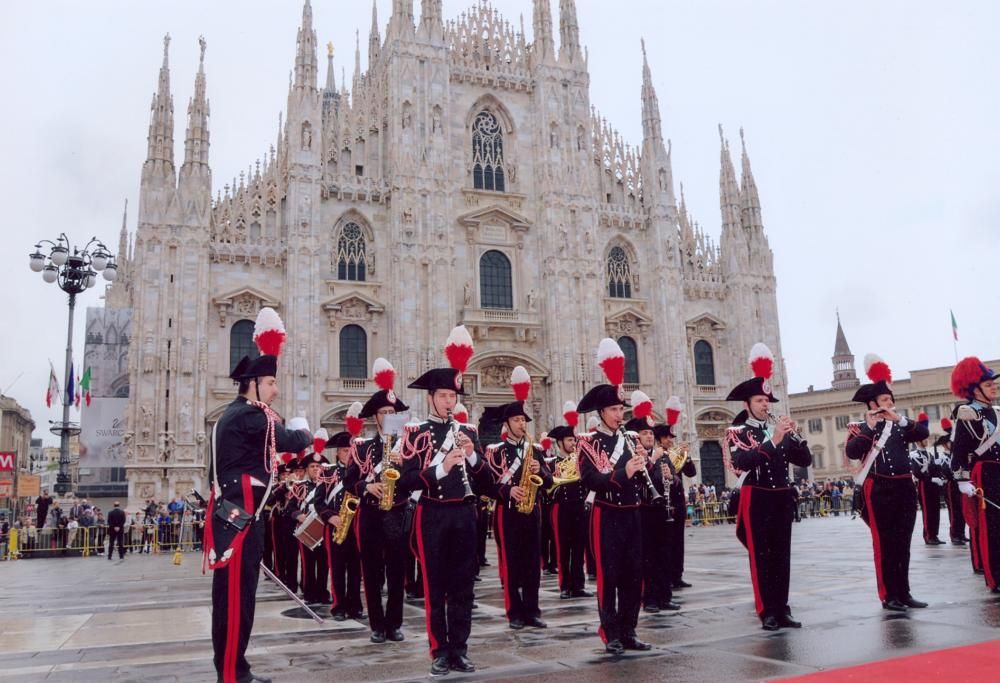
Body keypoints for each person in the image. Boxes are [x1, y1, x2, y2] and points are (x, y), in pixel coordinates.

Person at [205, 307, 312, 683]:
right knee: (236, 599)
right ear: (252, 384)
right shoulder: (250, 416)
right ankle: (232, 674)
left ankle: (234, 667)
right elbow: (293, 440)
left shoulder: (232, 416)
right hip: (242, 519)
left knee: (234, 597)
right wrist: (303, 428)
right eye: (270, 383)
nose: (275, 390)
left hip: (234, 518)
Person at [398, 325, 487, 677]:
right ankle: (439, 650)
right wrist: (442, 467)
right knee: (435, 587)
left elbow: (486, 481)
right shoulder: (415, 432)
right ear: (432, 397)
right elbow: (405, 481)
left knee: (463, 587)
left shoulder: (468, 432)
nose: (450, 402)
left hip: (464, 514)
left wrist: (473, 456)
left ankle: (460, 649)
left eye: (453, 395)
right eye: (444, 395)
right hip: (432, 513)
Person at [727, 343, 812, 630]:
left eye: (767, 400)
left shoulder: (779, 429)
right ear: (747, 404)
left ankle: (782, 608)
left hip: (782, 497)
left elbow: (804, 459)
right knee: (761, 556)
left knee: (781, 556)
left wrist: (796, 435)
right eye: (760, 400)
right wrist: (774, 440)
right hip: (758, 497)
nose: (766, 405)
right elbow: (742, 462)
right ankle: (767, 611)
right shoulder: (739, 432)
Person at [576, 338, 651, 656]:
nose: (620, 415)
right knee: (610, 577)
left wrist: (646, 468)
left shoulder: (630, 439)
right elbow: (591, 479)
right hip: (606, 514)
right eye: (615, 410)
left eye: (622, 409)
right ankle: (611, 632)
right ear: (602, 412)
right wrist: (625, 472)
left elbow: (641, 480)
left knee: (633, 576)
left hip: (632, 513)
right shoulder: (587, 443)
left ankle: (629, 630)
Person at [845, 353, 929, 611]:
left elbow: (923, 432)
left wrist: (899, 419)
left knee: (904, 542)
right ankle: (889, 595)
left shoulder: (901, 425)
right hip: (880, 488)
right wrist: (870, 428)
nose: (890, 404)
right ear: (872, 404)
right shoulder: (860, 427)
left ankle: (904, 592)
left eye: (892, 400)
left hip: (905, 487)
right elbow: (852, 452)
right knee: (885, 544)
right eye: (885, 400)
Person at [481, 367, 553, 630]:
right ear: (507, 423)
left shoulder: (535, 449)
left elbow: (549, 482)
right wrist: (507, 491)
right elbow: (486, 485)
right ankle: (514, 613)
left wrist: (540, 471)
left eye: (523, 420)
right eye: (517, 420)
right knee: (511, 563)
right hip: (507, 512)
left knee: (533, 562)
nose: (522, 424)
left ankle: (532, 611)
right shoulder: (494, 451)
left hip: (532, 510)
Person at [344, 358, 410, 643]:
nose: (389, 415)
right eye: (384, 412)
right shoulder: (362, 447)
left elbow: (417, 479)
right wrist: (367, 486)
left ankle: (394, 624)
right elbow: (348, 481)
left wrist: (405, 465)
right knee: (371, 572)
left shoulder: (406, 446)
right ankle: (376, 625)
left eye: (393, 411)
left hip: (398, 513)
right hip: (371, 514)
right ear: (375, 417)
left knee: (397, 572)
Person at [949, 357, 1000, 591]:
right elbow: (959, 450)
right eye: (989, 384)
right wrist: (962, 479)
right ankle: (995, 578)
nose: (994, 387)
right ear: (975, 389)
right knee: (991, 527)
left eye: (994, 384)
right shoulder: (968, 413)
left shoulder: (996, 412)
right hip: (985, 472)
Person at [624, 391, 677, 614]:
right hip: (643, 511)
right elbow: (637, 482)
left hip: (662, 512)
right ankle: (650, 599)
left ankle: (665, 596)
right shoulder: (633, 456)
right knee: (647, 558)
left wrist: (670, 477)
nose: (649, 436)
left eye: (650, 433)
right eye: (645, 433)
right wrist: (652, 462)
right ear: (637, 436)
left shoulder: (662, 455)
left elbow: (674, 480)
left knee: (664, 555)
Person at [317, 431, 364, 621]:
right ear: (337, 453)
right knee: (337, 569)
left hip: (357, 525)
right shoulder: (327, 473)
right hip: (336, 525)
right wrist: (330, 517)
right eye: (345, 450)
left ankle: (355, 606)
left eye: (352, 450)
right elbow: (318, 502)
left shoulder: (362, 471)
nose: (349, 453)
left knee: (356, 569)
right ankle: (338, 607)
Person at [549, 402, 591, 600]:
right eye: (568, 440)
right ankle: (565, 585)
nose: (573, 443)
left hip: (579, 507)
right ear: (560, 443)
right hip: (562, 508)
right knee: (563, 548)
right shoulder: (553, 463)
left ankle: (578, 585)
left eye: (574, 440)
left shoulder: (581, 462)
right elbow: (548, 487)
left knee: (579, 547)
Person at [656, 396, 697, 591]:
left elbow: (691, 473)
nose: (670, 441)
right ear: (659, 440)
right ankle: (667, 577)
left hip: (678, 502)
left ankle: (677, 575)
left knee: (678, 542)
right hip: (665, 503)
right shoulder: (657, 456)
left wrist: (686, 457)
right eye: (667, 438)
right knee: (666, 542)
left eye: (671, 438)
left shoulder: (676, 455)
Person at [909, 413, 945, 545]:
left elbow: (934, 470)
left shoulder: (929, 454)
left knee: (935, 511)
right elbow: (917, 472)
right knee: (928, 511)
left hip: (933, 486)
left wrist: (938, 470)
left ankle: (934, 535)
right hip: (924, 485)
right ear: (918, 441)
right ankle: (928, 536)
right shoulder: (914, 455)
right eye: (924, 439)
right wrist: (931, 479)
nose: (927, 441)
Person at [936, 419, 968, 546]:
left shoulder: (955, 455)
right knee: (954, 510)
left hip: (958, 483)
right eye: (950, 443)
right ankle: (955, 534)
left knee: (961, 509)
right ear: (945, 445)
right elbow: (946, 471)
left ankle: (961, 533)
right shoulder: (943, 457)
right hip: (950, 484)